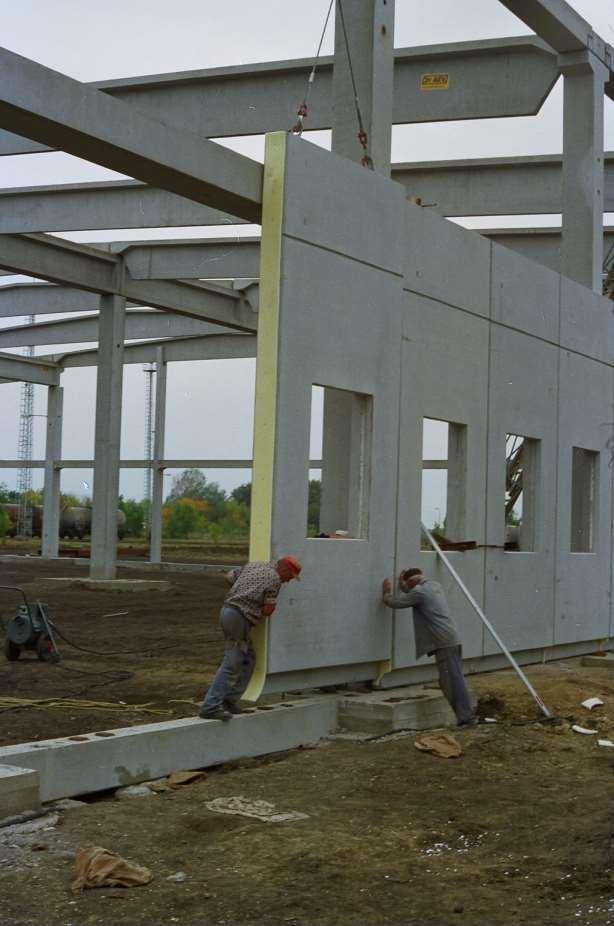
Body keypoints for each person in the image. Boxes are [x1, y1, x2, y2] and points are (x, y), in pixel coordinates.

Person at [199, 555, 302, 721]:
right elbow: (268, 610)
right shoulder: (275, 579)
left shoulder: (255, 566)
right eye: (289, 577)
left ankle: (229, 701)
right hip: (239, 619)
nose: (287, 581)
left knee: (248, 659)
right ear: (283, 569)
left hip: (227, 612)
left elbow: (229, 576)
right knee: (231, 662)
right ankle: (210, 706)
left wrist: (243, 591)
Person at [381, 567, 475, 726]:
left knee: (451, 682)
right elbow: (411, 592)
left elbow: (396, 602)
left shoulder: (419, 593)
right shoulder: (434, 586)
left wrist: (386, 593)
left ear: (412, 582)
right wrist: (403, 584)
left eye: (408, 585)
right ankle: (465, 716)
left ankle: (466, 718)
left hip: (443, 643)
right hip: (452, 640)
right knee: (455, 679)